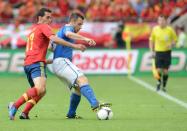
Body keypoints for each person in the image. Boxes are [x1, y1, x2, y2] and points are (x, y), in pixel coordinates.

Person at [8, 8, 86, 120]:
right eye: (47, 17)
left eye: (51, 17)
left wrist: (54, 58)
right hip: (36, 63)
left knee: (41, 91)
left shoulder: (33, 31)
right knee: (40, 89)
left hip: (28, 63)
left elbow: (41, 49)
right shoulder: (44, 27)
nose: (50, 20)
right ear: (40, 18)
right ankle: (14, 106)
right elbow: (54, 39)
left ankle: (24, 113)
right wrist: (75, 46)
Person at [50, 12, 111, 119]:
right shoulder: (68, 28)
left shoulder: (60, 32)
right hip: (61, 62)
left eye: (82, 25)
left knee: (77, 89)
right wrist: (85, 38)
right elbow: (68, 34)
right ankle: (95, 104)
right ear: (72, 22)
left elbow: (52, 48)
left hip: (57, 63)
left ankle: (71, 114)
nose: (80, 27)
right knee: (82, 79)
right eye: (79, 24)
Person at [149, 15, 177, 92]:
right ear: (158, 21)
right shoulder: (155, 29)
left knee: (165, 71)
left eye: (162, 20)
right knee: (158, 70)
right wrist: (152, 51)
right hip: (158, 52)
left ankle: (164, 85)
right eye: (159, 20)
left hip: (167, 52)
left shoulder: (170, 30)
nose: (161, 22)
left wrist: (171, 44)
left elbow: (175, 40)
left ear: (165, 21)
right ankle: (158, 82)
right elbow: (151, 40)